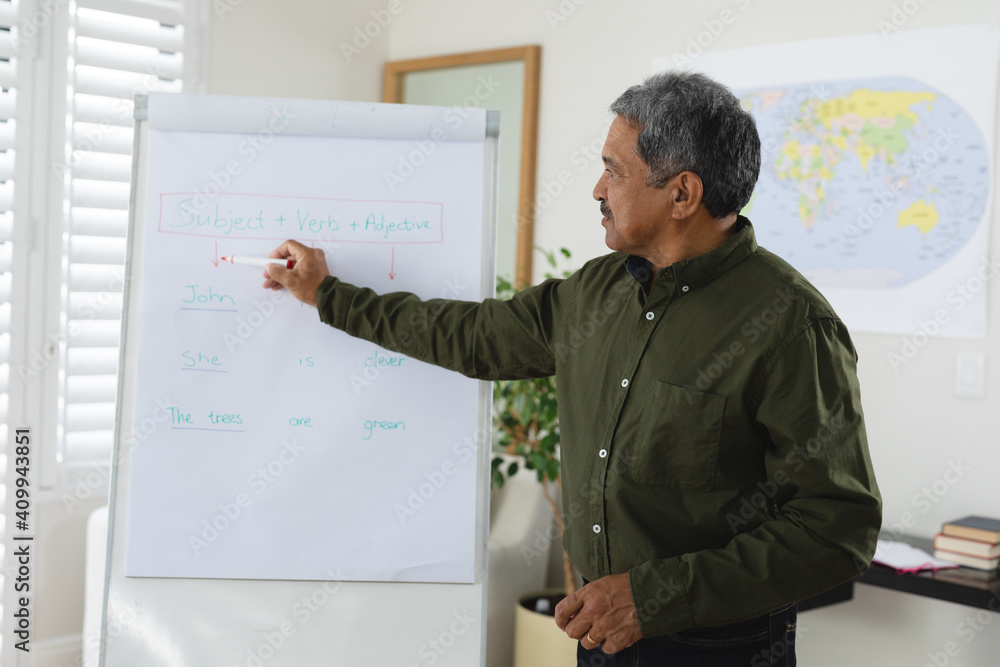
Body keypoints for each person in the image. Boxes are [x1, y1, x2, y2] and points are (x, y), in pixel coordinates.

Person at [262, 71, 881, 666]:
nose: (597, 188)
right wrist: (329, 294)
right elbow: (472, 336)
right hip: (599, 634)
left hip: (717, 648)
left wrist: (655, 596)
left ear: (682, 194)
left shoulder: (791, 326)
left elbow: (835, 529)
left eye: (614, 170)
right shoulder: (596, 292)